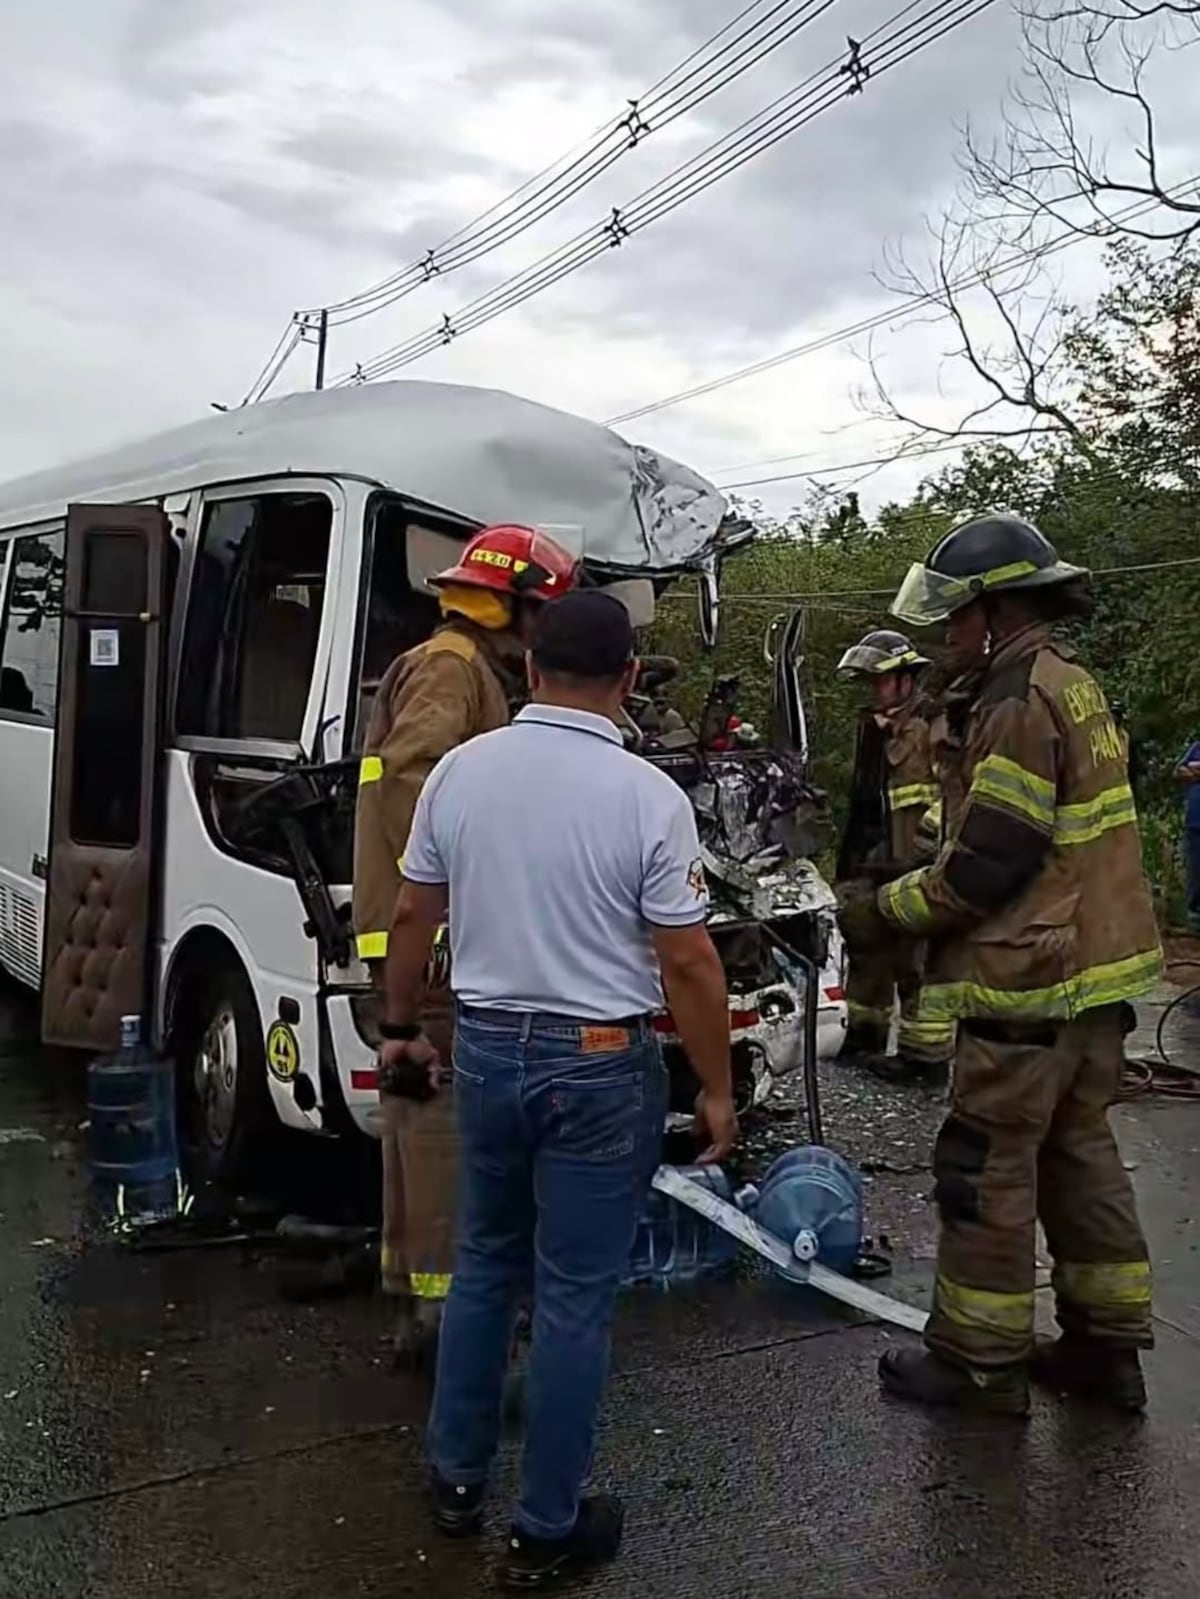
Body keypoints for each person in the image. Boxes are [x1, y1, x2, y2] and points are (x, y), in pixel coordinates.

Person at [378, 589, 737, 1590]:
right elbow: (690, 962)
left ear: (529, 666)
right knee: (575, 1296)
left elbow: (413, 915)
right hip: (596, 1061)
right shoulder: (646, 797)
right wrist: (714, 1088)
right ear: (627, 681)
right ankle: (546, 1526)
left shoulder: (462, 772)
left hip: (488, 1052)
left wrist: (402, 1027)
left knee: (487, 1263)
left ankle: (454, 1479)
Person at [842, 513, 1161, 1415]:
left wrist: (889, 906)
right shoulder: (1073, 683)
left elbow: (992, 858)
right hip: (1092, 982)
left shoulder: (1017, 699)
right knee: (1080, 1155)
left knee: (984, 1161)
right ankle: (1107, 1351)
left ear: (995, 610)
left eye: (956, 619)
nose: (947, 639)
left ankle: (979, 1362)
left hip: (1031, 977)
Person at [353, 524, 579, 1365]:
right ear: (512, 604)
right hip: (438, 934)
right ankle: (453, 1325)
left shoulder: (449, 660)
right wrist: (478, 885)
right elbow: (418, 777)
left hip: (419, 928)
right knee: (445, 1125)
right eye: (542, 614)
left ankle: (422, 1304)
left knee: (416, 1116)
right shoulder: (454, 669)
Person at [835, 628, 954, 1083]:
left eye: (880, 681)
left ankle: (924, 1059)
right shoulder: (878, 730)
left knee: (918, 961)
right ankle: (864, 1035)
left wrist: (928, 847)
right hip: (877, 861)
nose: (873, 690)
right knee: (868, 949)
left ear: (906, 680)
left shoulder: (933, 724)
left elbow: (958, 789)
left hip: (917, 865)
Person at [1175, 737, 1200, 934]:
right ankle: (1194, 919)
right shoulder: (1196, 747)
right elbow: (1179, 770)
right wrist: (1192, 770)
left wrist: (1194, 770)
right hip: (1194, 820)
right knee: (1195, 869)